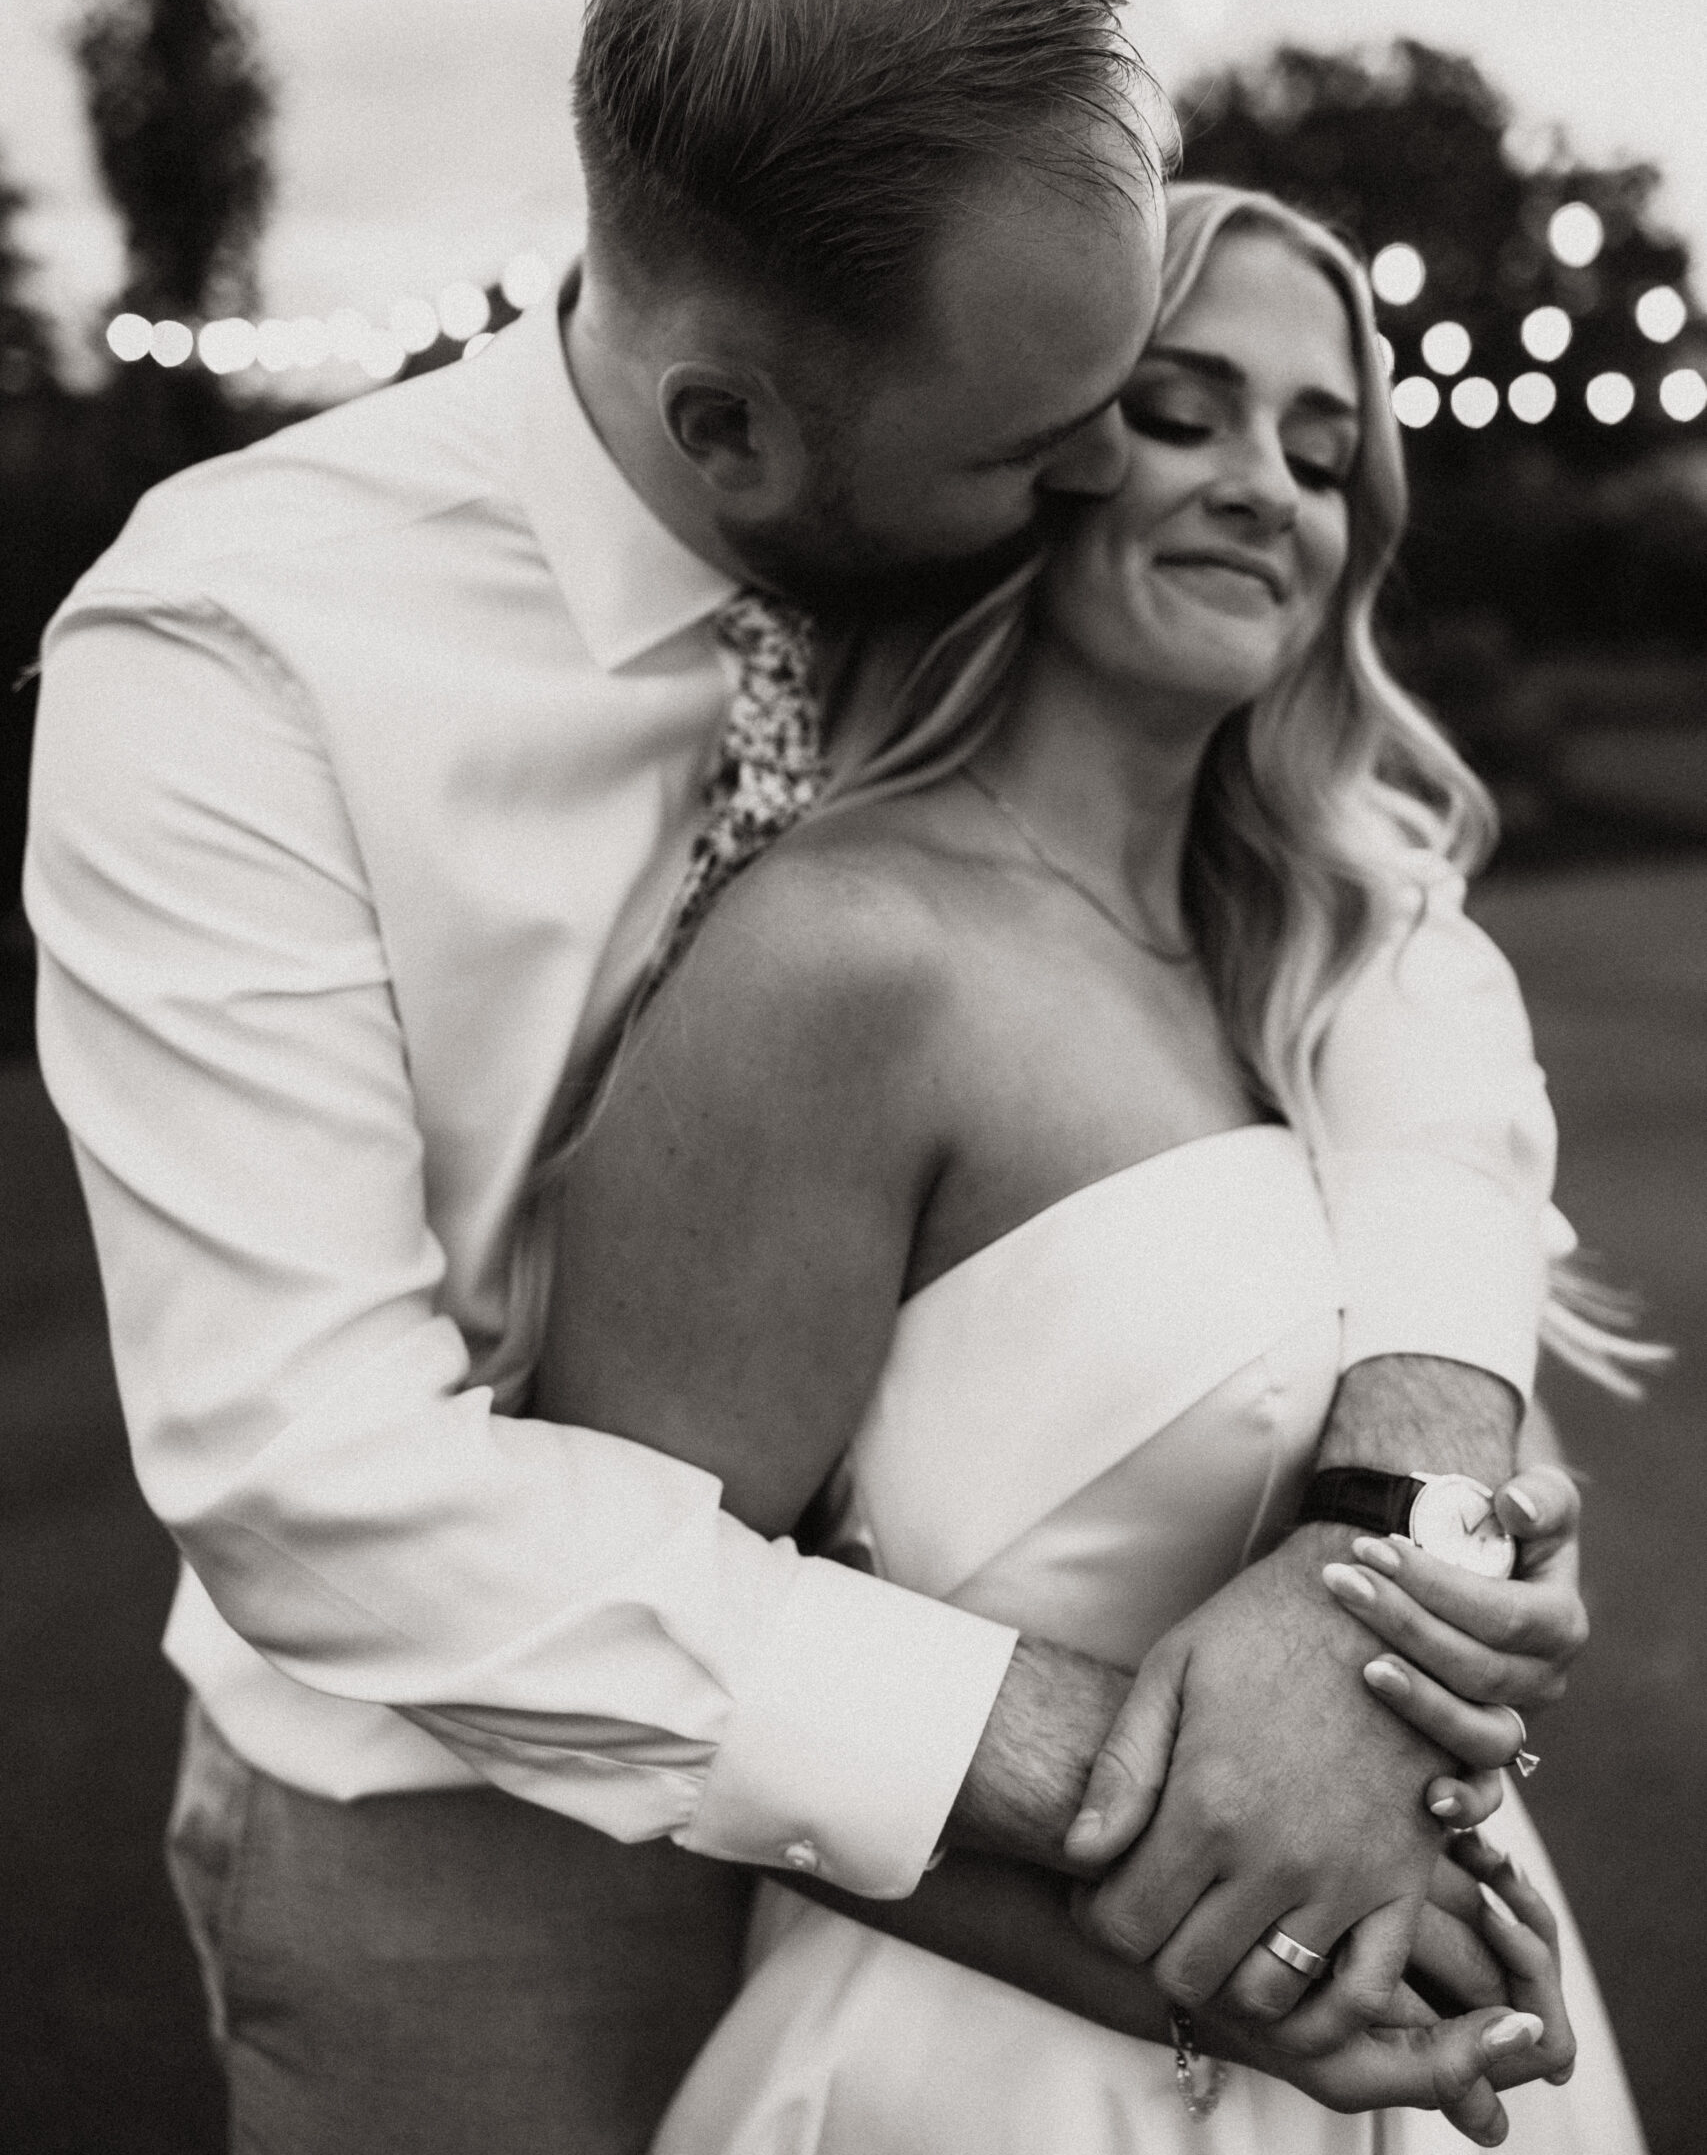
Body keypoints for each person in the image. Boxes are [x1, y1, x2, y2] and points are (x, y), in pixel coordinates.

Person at [23, 0, 1591, 2155]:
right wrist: (1166, 1757)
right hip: (467, 1843)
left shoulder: (947, 504)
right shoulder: (238, 654)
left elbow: (1379, 926)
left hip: (983, 1847)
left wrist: (1398, 1504)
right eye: (1056, 433)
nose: (1105, 472)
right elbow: (307, 1473)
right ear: (728, 433)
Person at [529, 183, 1648, 2151]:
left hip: (1423, 1989)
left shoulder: (1335, 965)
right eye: (1179, 409)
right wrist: (1217, 1979)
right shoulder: (848, 949)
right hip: (987, 2061)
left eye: (1317, 449)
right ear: (1021, 454)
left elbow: (1461, 1443)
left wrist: (1502, 1592)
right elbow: (648, 1637)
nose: (1261, 486)